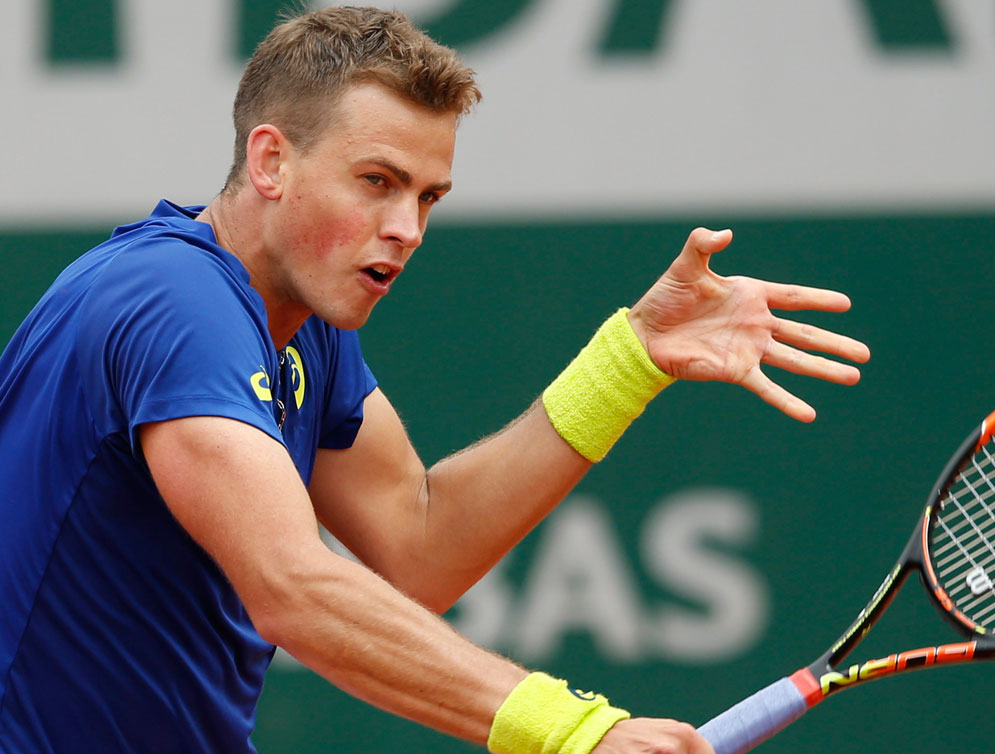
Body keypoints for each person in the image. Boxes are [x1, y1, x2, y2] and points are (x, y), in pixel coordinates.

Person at [0, 6, 869, 753]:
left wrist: (628, 362)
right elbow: (293, 587)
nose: (406, 227)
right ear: (270, 162)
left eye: (427, 197)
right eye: (376, 183)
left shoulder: (301, 325)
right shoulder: (174, 297)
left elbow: (418, 547)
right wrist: (573, 730)